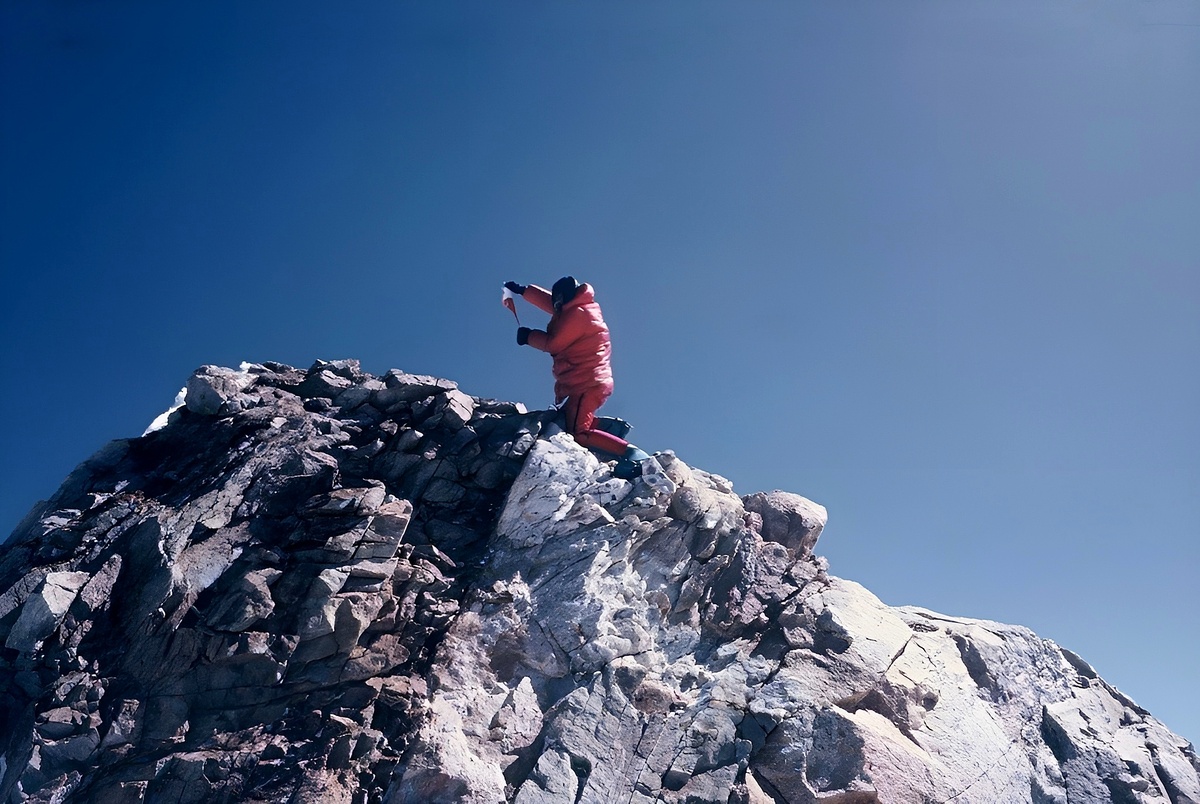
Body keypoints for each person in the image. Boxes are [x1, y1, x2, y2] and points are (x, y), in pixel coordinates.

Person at [506, 276, 649, 477]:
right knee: (569, 419)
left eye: (558, 300)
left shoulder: (578, 315)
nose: (555, 305)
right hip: (589, 380)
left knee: (578, 434)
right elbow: (553, 306)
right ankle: (609, 428)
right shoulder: (578, 306)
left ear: (564, 297)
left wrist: (528, 336)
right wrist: (523, 291)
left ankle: (632, 453)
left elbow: (554, 344)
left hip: (588, 383)